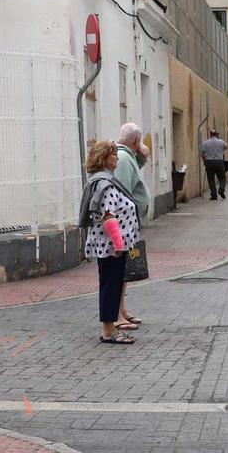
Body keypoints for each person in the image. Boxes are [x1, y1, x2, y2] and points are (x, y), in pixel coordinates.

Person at [79, 141, 141, 345]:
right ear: (104, 157)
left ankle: (111, 328)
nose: (117, 158)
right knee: (111, 285)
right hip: (112, 246)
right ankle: (108, 330)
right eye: (113, 154)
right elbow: (108, 216)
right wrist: (119, 243)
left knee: (111, 284)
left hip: (110, 244)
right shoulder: (105, 184)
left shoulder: (103, 181)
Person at [112, 123, 150, 331]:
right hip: (122, 227)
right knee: (118, 271)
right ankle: (116, 314)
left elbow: (135, 169)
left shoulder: (126, 157)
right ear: (136, 141)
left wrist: (142, 156)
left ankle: (121, 310)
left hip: (126, 226)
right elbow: (122, 193)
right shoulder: (124, 160)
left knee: (124, 270)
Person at [201, 129, 228, 200]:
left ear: (210, 134)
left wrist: (204, 162)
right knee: (222, 178)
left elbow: (203, 154)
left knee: (211, 179)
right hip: (219, 162)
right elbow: (226, 147)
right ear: (216, 134)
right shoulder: (221, 142)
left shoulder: (205, 143)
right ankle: (221, 189)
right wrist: (219, 140)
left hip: (209, 162)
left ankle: (214, 195)